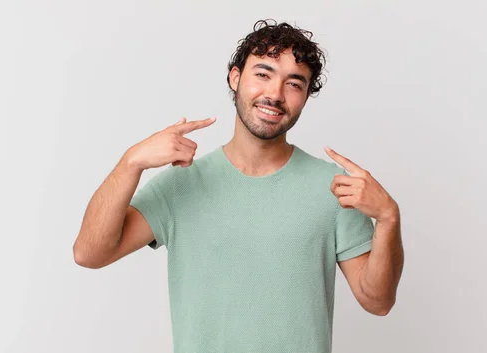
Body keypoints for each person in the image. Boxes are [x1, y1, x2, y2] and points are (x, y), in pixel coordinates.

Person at [73, 19, 404, 353]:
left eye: (294, 83)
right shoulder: (181, 185)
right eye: (263, 74)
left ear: (305, 96)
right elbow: (89, 253)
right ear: (235, 78)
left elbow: (377, 302)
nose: (274, 94)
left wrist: (389, 217)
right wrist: (131, 162)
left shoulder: (332, 189)